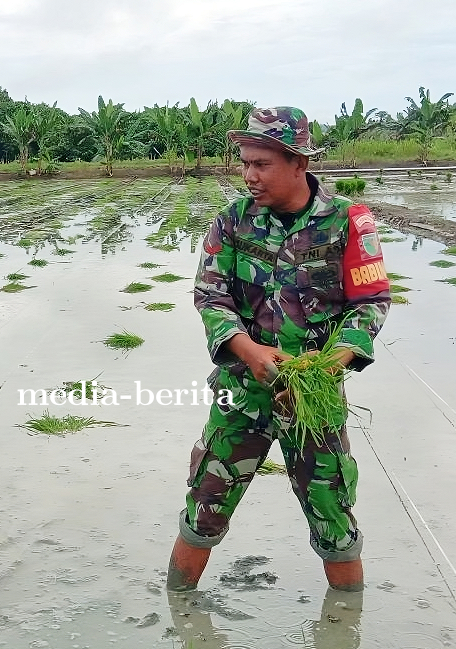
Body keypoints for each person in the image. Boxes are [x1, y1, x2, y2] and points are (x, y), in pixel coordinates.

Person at [166, 107, 390, 593]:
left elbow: (371, 302)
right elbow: (209, 295)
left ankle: (343, 639)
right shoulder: (231, 222)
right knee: (206, 503)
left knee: (333, 515)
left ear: (297, 163)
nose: (249, 175)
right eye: (245, 162)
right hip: (240, 396)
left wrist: (330, 363)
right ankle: (178, 613)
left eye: (261, 164)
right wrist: (248, 351)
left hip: (312, 401)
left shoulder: (348, 223)